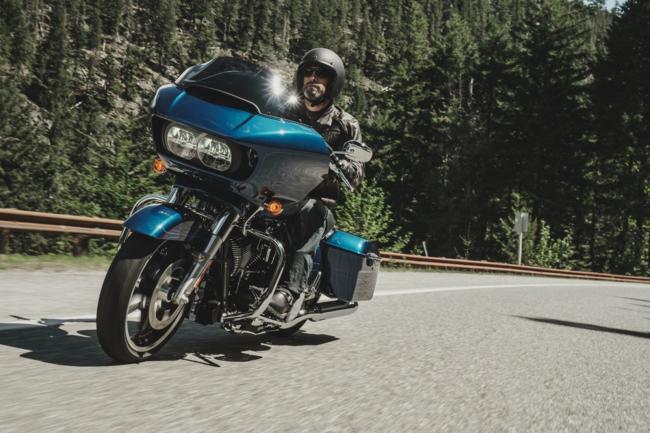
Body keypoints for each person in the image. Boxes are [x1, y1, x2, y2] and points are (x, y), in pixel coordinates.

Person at [268, 48, 366, 317]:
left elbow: (357, 173)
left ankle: (289, 291)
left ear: (333, 83)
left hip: (315, 199)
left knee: (310, 212)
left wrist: (344, 165)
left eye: (321, 74)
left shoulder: (345, 124)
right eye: (308, 73)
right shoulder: (283, 110)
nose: (313, 78)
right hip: (272, 189)